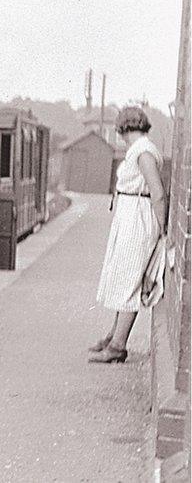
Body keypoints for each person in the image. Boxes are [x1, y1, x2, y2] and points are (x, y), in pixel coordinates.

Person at [89, 106, 166, 363]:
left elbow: (157, 191)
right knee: (123, 275)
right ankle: (114, 337)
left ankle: (118, 346)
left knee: (130, 278)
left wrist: (162, 227)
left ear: (122, 127)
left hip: (139, 220)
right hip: (131, 216)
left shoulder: (143, 151)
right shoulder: (139, 148)